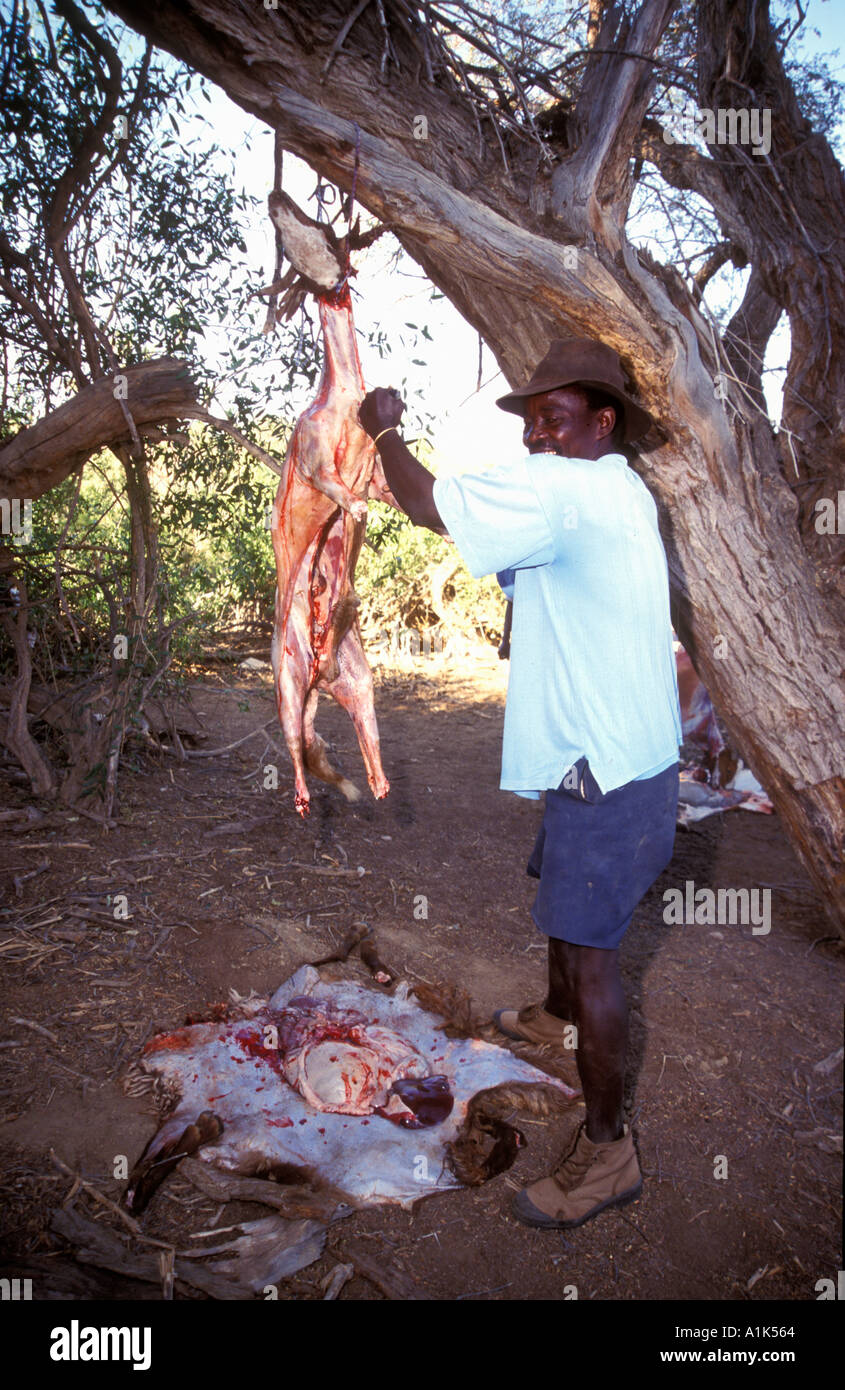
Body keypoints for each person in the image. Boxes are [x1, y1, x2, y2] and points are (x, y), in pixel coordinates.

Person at [358, 337, 682, 1230]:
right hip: (615, 759)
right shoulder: (617, 492)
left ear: (602, 421)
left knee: (593, 955)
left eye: (556, 416)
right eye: (531, 418)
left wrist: (385, 430)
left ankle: (608, 1155)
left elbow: (424, 502)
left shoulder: (568, 488)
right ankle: (550, 1017)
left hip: (605, 773)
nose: (537, 433)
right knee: (560, 903)